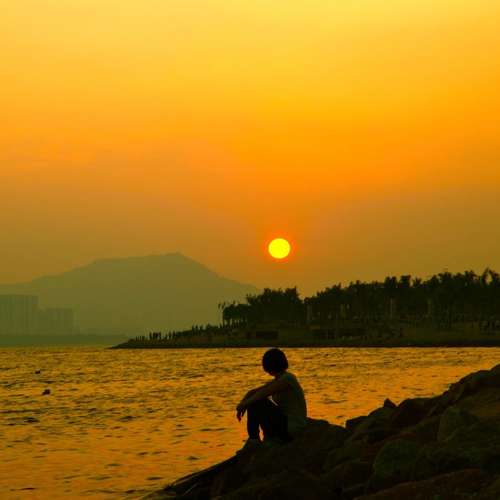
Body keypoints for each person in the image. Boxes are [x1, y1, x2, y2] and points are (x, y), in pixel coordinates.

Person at [236, 348, 307, 451]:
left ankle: (254, 439)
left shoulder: (288, 379)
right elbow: (253, 392)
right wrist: (243, 404)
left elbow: (263, 393)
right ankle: (254, 439)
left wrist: (246, 404)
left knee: (258, 402)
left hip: (292, 425)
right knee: (255, 400)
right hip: (284, 423)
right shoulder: (278, 379)